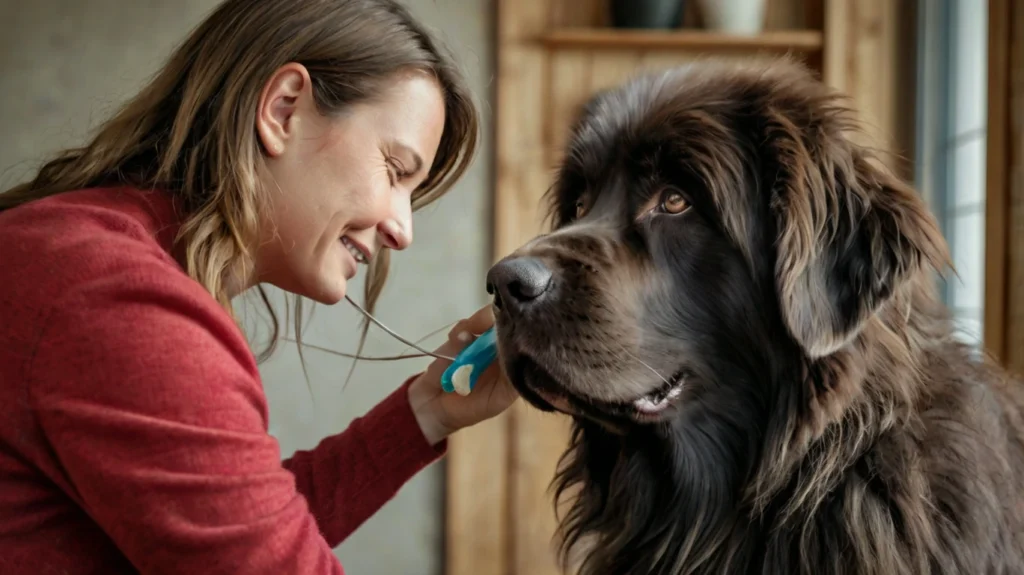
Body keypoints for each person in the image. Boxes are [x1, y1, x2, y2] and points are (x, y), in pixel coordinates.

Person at [0, 0, 517, 573]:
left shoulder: (90, 258)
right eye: (396, 171)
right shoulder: (117, 300)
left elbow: (236, 529)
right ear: (283, 108)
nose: (402, 230)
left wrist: (429, 411)